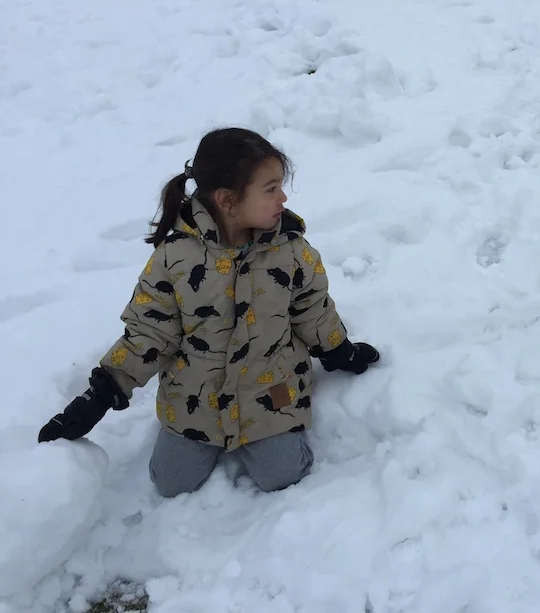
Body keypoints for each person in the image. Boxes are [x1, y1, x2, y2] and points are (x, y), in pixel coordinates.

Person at [37, 127, 380, 496]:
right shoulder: (174, 259)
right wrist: (100, 395)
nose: (283, 197)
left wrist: (339, 350)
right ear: (228, 200)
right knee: (170, 483)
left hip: (271, 391)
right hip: (194, 401)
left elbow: (313, 309)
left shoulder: (292, 251)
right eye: (270, 189)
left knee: (283, 477)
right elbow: (149, 333)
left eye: (281, 186)